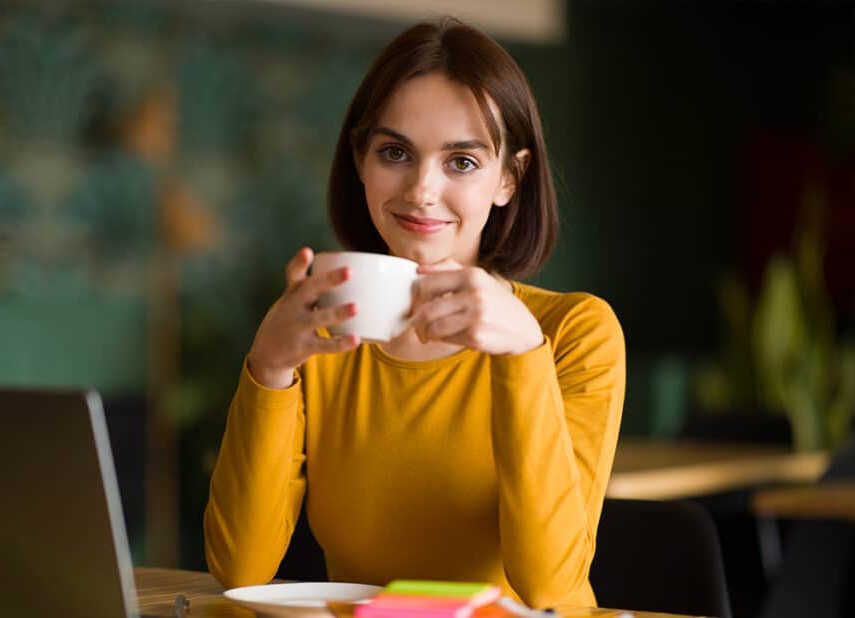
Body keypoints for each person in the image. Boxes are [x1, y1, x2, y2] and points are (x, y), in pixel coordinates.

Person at [204, 17, 626, 609]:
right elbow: (239, 569)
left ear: (510, 177)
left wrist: (523, 356)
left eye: (462, 162)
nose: (422, 189)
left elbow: (549, 589)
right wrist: (269, 370)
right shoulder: (320, 332)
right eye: (395, 152)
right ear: (359, 160)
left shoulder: (573, 334)